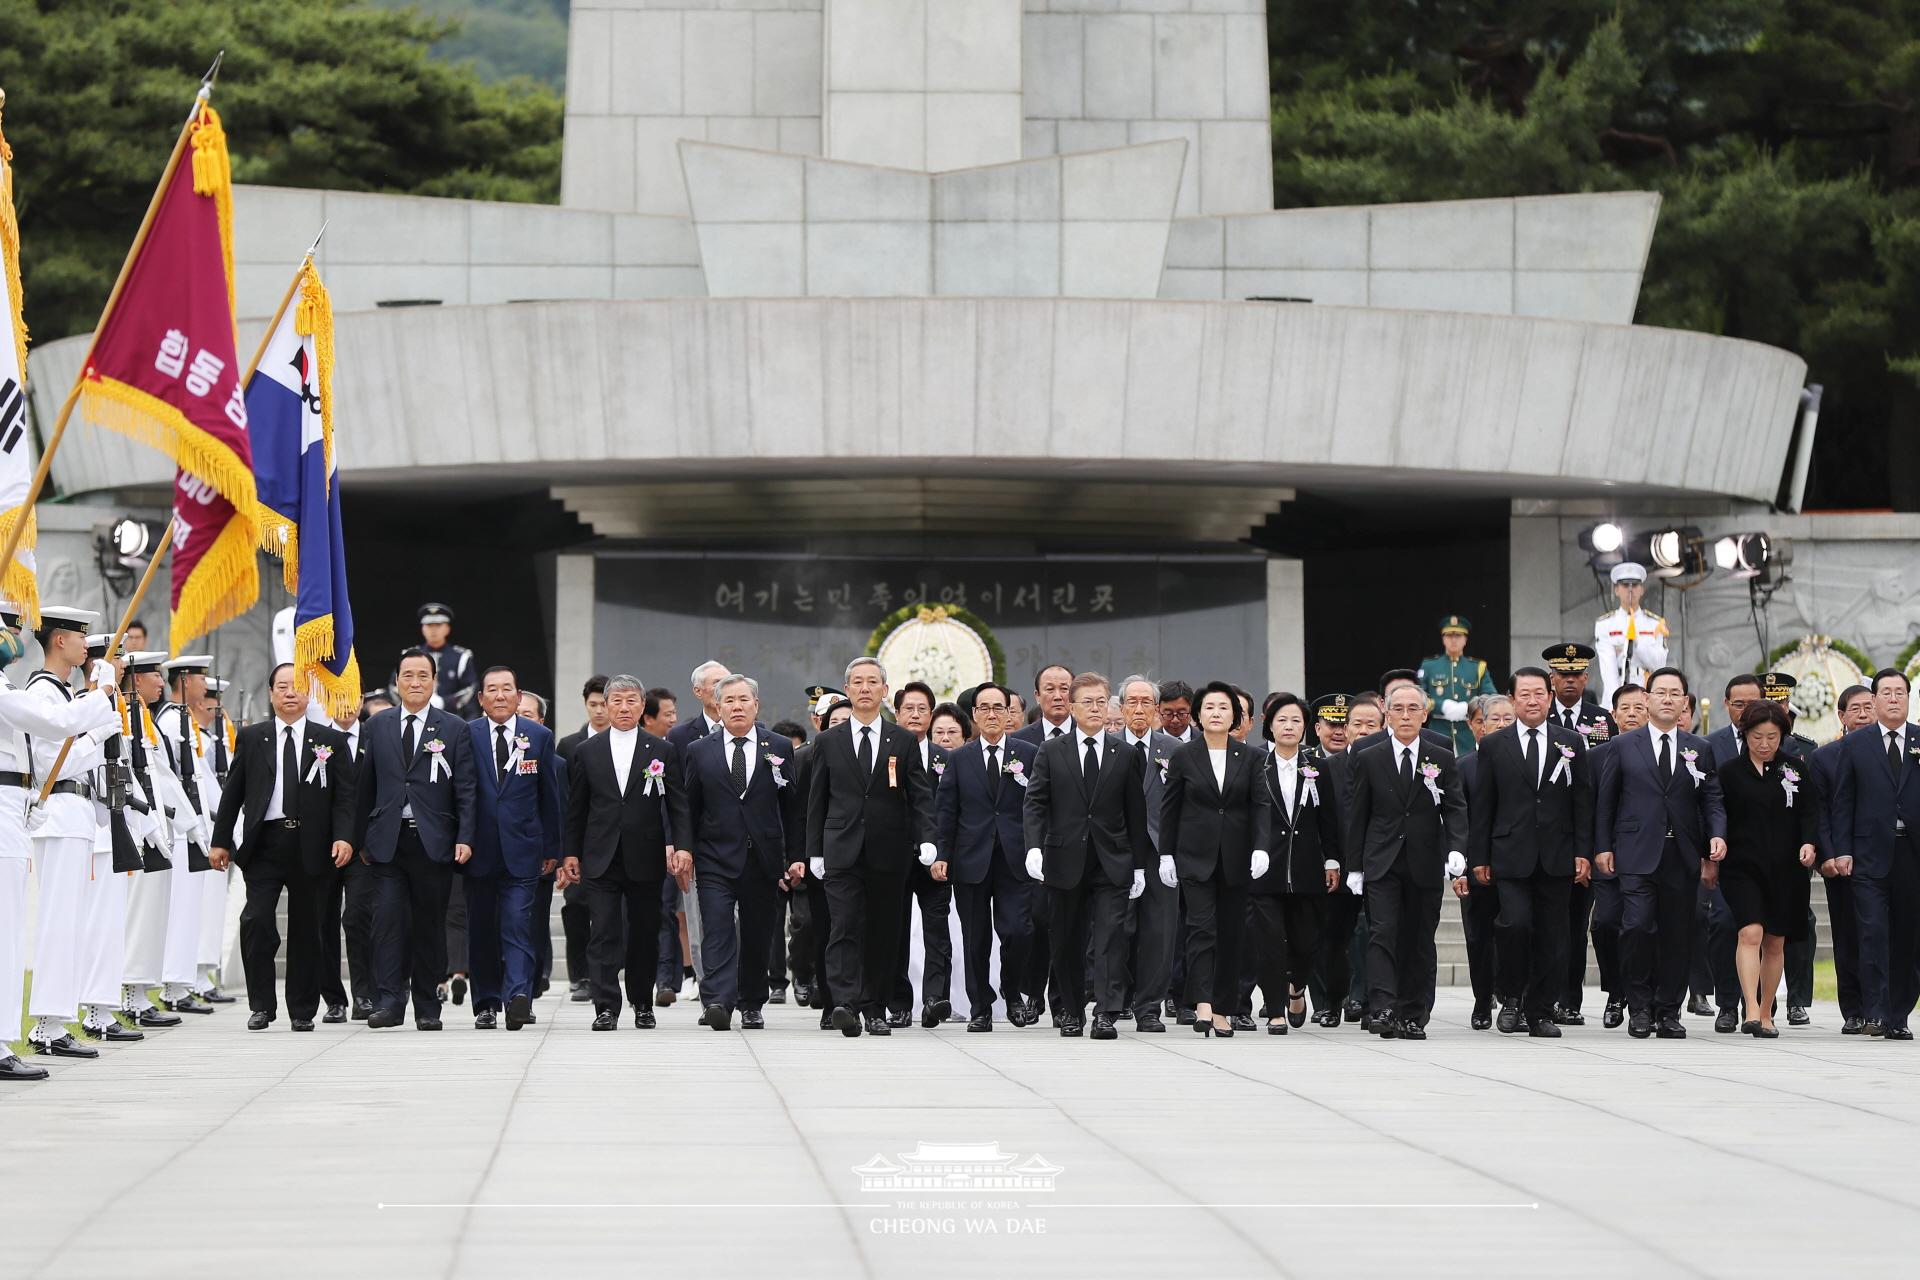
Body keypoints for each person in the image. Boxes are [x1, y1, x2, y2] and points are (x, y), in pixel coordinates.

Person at [0, 602, 122, 1079]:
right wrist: (104, 696)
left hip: (17, 805)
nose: (13, 637)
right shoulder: (24, 690)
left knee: (13, 932)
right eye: (7, 629)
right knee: (10, 933)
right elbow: (56, 729)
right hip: (10, 804)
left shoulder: (11, 687)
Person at [209, 663, 357, 1032]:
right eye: (283, 687)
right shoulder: (252, 737)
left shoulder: (331, 741)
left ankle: (302, 1011)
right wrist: (221, 840)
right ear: (271, 693)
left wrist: (344, 837)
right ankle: (261, 1005)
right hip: (265, 843)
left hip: (312, 845)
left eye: (298, 687)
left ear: (309, 695)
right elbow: (233, 793)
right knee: (256, 922)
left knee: (309, 929)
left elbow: (345, 799)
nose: (291, 693)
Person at [805, 658, 937, 1038]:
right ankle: (845, 1003)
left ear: (884, 690)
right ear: (846, 690)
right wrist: (814, 850)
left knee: (884, 931)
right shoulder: (829, 741)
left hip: (889, 851)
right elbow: (818, 800)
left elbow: (921, 796)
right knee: (843, 926)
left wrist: (928, 838)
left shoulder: (903, 740)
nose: (865, 688)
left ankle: (875, 1007)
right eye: (857, 682)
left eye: (872, 682)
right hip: (841, 850)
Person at [1594, 667, 1727, 1040]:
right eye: (1661, 692)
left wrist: (1716, 836)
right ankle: (1638, 1007)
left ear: (1685, 703)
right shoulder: (1623, 745)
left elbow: (1712, 799)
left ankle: (1668, 1010)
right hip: (1635, 853)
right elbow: (1607, 801)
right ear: (1648, 699)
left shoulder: (1698, 749)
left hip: (1681, 855)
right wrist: (1603, 847)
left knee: (1677, 934)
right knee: (1636, 926)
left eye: (1675, 694)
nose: (1667, 699)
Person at [1468, 666, 1595, 1038]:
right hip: (1510, 853)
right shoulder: (1494, 745)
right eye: (1525, 694)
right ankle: (1510, 996)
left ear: (1551, 697)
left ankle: (1540, 1011)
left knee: (1554, 936)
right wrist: (1479, 856)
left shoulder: (1571, 741)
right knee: (1515, 925)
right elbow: (1484, 805)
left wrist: (1583, 851)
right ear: (1512, 699)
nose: (1533, 700)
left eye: (1540, 693)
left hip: (1557, 854)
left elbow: (1582, 802)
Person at [357, 647, 479, 1030]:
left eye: (423, 675)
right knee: (388, 923)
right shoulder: (376, 726)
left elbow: (466, 790)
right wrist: (359, 837)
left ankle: (428, 1005)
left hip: (434, 842)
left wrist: (465, 836)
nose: (415, 682)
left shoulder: (454, 727)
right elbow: (364, 788)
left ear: (434, 681)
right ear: (397, 681)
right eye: (408, 675)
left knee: (430, 926)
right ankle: (390, 1001)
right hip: (388, 842)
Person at [1022, 672, 1148, 1039]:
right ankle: (1072, 1012)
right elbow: (1035, 803)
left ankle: (1105, 1013)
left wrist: (1139, 865)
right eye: (1087, 702)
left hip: (1112, 860)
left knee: (1111, 939)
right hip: (1064, 859)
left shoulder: (1124, 753)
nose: (1096, 709)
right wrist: (1033, 847)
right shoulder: (1051, 750)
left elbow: (1136, 814)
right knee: (1066, 939)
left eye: (1101, 702)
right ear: (1073, 708)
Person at [564, 674, 692, 1031]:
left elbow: (678, 804)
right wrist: (570, 853)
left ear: (641, 706)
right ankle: (605, 1006)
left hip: (646, 855)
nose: (623, 708)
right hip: (600, 855)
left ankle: (641, 1002)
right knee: (603, 931)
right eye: (616, 701)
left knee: (644, 932)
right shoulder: (587, 750)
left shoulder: (662, 750)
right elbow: (577, 808)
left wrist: (682, 847)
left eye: (631, 701)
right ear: (605, 706)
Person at [1344, 681, 1468, 1040]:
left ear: (1425, 714)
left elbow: (1455, 805)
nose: (1405, 715)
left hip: (1425, 858)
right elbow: (1357, 812)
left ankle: (1414, 1013)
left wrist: (1457, 847)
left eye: (1413, 709)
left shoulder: (1441, 752)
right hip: (1382, 859)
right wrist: (1354, 865)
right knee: (1382, 933)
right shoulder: (1367, 752)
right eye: (1398, 709)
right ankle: (1383, 1007)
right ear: (1386, 713)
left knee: (1418, 938)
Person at [684, 674, 803, 1031]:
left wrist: (794, 854)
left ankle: (752, 1002)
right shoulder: (699, 750)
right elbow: (689, 808)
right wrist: (684, 851)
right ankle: (718, 1001)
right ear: (717, 707)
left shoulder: (778, 747)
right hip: (714, 857)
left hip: (763, 858)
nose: (737, 707)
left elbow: (792, 808)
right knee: (717, 928)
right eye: (729, 701)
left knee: (757, 933)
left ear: (756, 705)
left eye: (743, 700)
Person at [1158, 682, 1270, 1038]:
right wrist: (1166, 854)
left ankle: (1225, 1008)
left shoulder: (1250, 757)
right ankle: (1203, 1004)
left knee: (1232, 934)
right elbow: (1170, 808)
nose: (1216, 713)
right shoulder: (1184, 756)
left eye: (1223, 708)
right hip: (1195, 857)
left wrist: (1261, 847)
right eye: (1209, 707)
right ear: (1198, 715)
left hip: (1237, 858)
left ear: (1235, 716)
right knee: (1200, 929)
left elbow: (1260, 806)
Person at [930, 682, 1038, 1032]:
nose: (992, 714)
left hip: (1015, 857)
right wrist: (942, 854)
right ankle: (981, 1006)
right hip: (970, 859)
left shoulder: (1029, 753)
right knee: (975, 936)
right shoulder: (959, 758)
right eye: (984, 708)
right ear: (974, 715)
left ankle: (1013, 992)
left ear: (1010, 713)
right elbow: (946, 810)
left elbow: (1038, 807)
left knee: (1018, 931)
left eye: (999, 707)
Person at [465, 666, 562, 1030]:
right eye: (492, 689)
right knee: (482, 929)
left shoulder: (538, 736)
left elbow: (548, 796)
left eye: (508, 689)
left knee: (519, 924)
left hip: (524, 850)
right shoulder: (467, 734)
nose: (500, 695)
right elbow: (462, 793)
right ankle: (487, 1003)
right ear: (481, 699)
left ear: (519, 696)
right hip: (478, 850)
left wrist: (553, 846)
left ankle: (518, 996)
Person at [1715, 700, 1818, 1038]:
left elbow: (1809, 813)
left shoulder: (1796, 769)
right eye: (1757, 736)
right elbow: (1718, 813)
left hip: (1786, 866)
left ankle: (1767, 1009)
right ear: (1745, 735)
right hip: (1742, 866)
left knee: (1775, 940)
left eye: (1772, 737)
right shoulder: (1730, 771)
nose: (1764, 744)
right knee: (1751, 932)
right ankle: (1750, 1008)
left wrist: (1808, 843)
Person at [1827, 668, 1920, 1038]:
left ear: (1909, 698)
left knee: (1908, 936)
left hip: (1911, 854)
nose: (1894, 698)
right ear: (1876, 699)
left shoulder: (1918, 739)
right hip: (1867, 855)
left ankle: (1900, 1015)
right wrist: (1842, 850)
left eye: (1900, 692)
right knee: (1872, 933)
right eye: (1887, 692)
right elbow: (1843, 802)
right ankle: (1877, 1011)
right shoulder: (1856, 744)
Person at [1249, 693, 1342, 1034]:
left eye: (1296, 721)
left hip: (1307, 867)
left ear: (1306, 727)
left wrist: (1331, 859)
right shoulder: (1255, 763)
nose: (1289, 726)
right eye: (1282, 720)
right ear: (1269, 726)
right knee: (1269, 941)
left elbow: (1329, 819)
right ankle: (1274, 1010)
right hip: (1265, 868)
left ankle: (1296, 987)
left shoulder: (1318, 766)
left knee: (1306, 941)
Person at [1539, 642, 1616, 1026]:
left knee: (1574, 925)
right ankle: (1541, 997)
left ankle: (1569, 999)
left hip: (1586, 834)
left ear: (1586, 678)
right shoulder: (1539, 718)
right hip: (1545, 836)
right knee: (1545, 924)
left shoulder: (1603, 720)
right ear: (1552, 680)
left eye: (1576, 675)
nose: (1569, 681)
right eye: (1562, 675)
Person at [1117, 674, 1185, 1031]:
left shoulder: (1175, 751)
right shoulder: (1109, 746)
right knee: (1115, 930)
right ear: (1122, 707)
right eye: (1133, 702)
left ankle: (1149, 1008)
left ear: (1157, 711)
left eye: (1147, 702)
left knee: (1160, 934)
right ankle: (1116, 1000)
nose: (1139, 709)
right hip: (1118, 852)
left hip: (1162, 854)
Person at [1811, 683, 1875, 1033]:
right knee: (1848, 935)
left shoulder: (1894, 749)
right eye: (1856, 709)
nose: (1864, 714)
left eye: (1869, 706)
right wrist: (1828, 855)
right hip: (1842, 861)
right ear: (1842, 716)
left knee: (1881, 933)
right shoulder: (1824, 757)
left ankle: (1882, 1005)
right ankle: (1853, 1009)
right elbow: (1820, 812)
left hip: (1884, 857)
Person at [889, 681, 953, 1028]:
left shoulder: (947, 758)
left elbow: (952, 811)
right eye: (908, 709)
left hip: (936, 861)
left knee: (937, 932)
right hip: (895, 857)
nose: (915, 714)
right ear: (897, 714)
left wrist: (943, 852)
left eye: (922, 709)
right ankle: (898, 1002)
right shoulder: (887, 752)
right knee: (895, 931)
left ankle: (935, 999)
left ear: (931, 714)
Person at [1589, 682, 1649, 1027]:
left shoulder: (1662, 753)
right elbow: (1590, 809)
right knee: (1606, 922)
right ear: (1613, 715)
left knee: (1642, 926)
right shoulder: (1597, 756)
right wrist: (1595, 850)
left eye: (1638, 708)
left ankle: (1643, 995)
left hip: (1651, 856)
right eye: (1624, 708)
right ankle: (1616, 991)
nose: (1631, 714)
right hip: (1609, 856)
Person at [1455, 694, 1512, 1029]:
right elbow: (1459, 822)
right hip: (1477, 865)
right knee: (1478, 936)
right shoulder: (1463, 766)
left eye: (1508, 719)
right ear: (1480, 725)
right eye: (1494, 720)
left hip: (1516, 863)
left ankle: (1510, 993)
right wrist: (1461, 867)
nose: (1501, 725)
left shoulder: (1524, 760)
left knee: (1515, 930)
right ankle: (1481, 1000)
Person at [555, 676, 608, 1003]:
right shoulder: (569, 745)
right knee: (576, 908)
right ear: (585, 704)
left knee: (612, 911)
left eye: (605, 704)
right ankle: (580, 976)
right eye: (594, 705)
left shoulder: (630, 742)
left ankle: (608, 971)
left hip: (615, 840)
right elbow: (564, 801)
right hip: (579, 841)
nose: (600, 711)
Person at [317, 700, 370, 1020]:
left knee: (359, 917)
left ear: (362, 701)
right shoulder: (317, 740)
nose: (347, 706)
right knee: (323, 922)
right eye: (339, 698)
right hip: (324, 847)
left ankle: (364, 994)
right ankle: (334, 999)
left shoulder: (375, 739)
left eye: (352, 698)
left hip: (364, 850)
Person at [1420, 614, 1498, 756]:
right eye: (1449, 636)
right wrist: (1441, 705)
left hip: (1467, 734)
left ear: (1465, 639)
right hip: (1438, 731)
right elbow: (1419, 697)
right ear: (1443, 639)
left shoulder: (1477, 667)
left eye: (1459, 636)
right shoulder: (1429, 666)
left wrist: (1469, 707)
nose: (1454, 640)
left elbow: (1491, 697)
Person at [1593, 562, 1670, 706]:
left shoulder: (1655, 623)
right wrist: (1615, 703)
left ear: (1642, 589)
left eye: (1634, 585)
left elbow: (1659, 664)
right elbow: (1608, 669)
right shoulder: (1605, 624)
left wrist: (1637, 644)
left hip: (1646, 690)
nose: (1630, 590)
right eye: (1624, 585)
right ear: (1616, 589)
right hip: (1617, 690)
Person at [409, 602, 478, 719]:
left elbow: (470, 689)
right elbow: (395, 688)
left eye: (438, 625)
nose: (433, 630)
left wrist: (444, 702)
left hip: (452, 717)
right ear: (422, 628)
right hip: (414, 714)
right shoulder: (409, 656)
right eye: (429, 625)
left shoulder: (461, 657)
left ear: (447, 628)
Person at [665, 660, 728, 749]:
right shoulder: (679, 736)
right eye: (717, 683)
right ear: (698, 691)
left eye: (727, 684)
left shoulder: (748, 729)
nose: (723, 689)